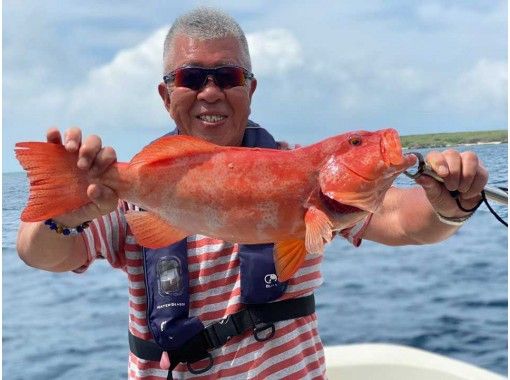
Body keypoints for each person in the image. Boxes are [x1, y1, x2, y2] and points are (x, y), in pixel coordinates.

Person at [16, 7, 488, 380]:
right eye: (191, 78)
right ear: (165, 94)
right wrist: (71, 211)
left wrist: (449, 209)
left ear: (251, 88)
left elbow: (401, 218)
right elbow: (41, 253)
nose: (210, 92)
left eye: (228, 77)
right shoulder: (130, 188)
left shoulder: (300, 168)